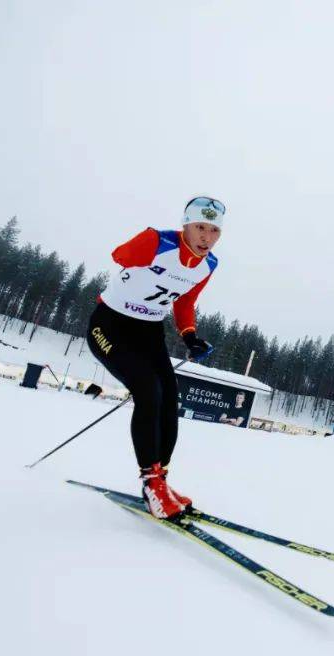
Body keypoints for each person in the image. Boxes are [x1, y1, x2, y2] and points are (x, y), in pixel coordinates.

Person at [86, 196, 223, 519]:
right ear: (185, 226)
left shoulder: (208, 265)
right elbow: (119, 256)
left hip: (149, 332)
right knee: (148, 390)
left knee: (169, 397)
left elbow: (185, 300)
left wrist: (190, 335)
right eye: (200, 227)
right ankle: (150, 483)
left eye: (213, 230)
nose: (206, 236)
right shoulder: (157, 242)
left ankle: (160, 479)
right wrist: (147, 242)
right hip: (110, 325)